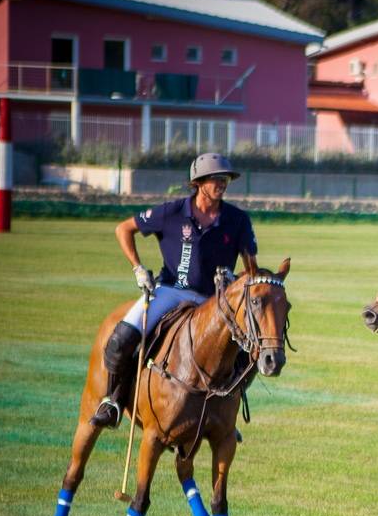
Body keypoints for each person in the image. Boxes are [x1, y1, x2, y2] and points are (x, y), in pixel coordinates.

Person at [93, 152, 259, 427]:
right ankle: (113, 400)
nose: (222, 183)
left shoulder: (237, 219)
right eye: (216, 178)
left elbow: (251, 266)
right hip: (171, 290)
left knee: (250, 349)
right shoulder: (171, 212)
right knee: (122, 338)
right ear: (199, 182)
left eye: (225, 179)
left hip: (214, 299)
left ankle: (224, 415)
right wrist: (137, 268)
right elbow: (124, 229)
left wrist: (237, 278)